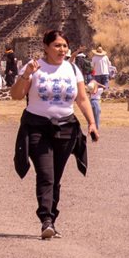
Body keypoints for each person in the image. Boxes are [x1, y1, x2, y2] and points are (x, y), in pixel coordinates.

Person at [10, 29, 98, 240]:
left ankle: (52, 219)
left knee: (56, 177)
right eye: (57, 46)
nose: (62, 50)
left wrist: (92, 123)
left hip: (66, 128)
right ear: (46, 47)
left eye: (65, 46)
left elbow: (82, 99)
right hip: (37, 128)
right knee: (46, 174)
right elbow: (16, 95)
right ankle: (46, 221)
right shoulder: (34, 68)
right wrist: (26, 74)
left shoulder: (72, 68)